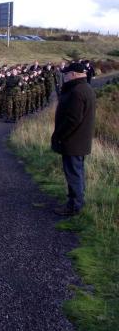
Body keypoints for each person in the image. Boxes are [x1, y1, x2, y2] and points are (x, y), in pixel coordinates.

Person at [50, 62, 96, 216]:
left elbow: (73, 119)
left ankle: (75, 206)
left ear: (74, 74)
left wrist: (59, 135)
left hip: (73, 141)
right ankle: (76, 202)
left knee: (74, 174)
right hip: (79, 141)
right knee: (77, 172)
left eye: (67, 73)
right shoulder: (86, 88)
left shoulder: (76, 91)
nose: (65, 75)